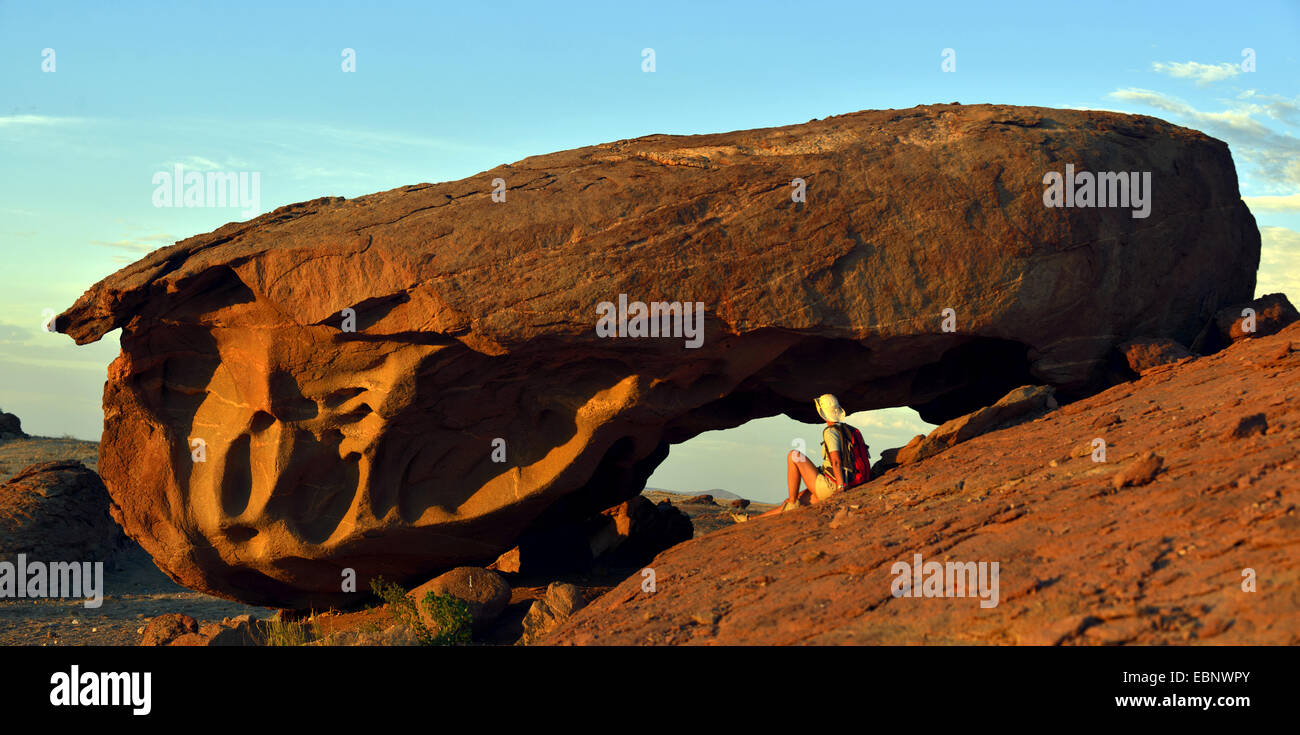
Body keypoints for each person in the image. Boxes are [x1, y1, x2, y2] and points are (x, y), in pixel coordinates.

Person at [759, 393, 850, 518]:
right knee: (801, 498)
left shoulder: (831, 432)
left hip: (833, 486)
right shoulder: (849, 431)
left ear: (822, 412)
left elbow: (836, 461)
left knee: (793, 455)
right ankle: (752, 519)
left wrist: (840, 487)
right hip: (849, 481)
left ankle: (791, 502)